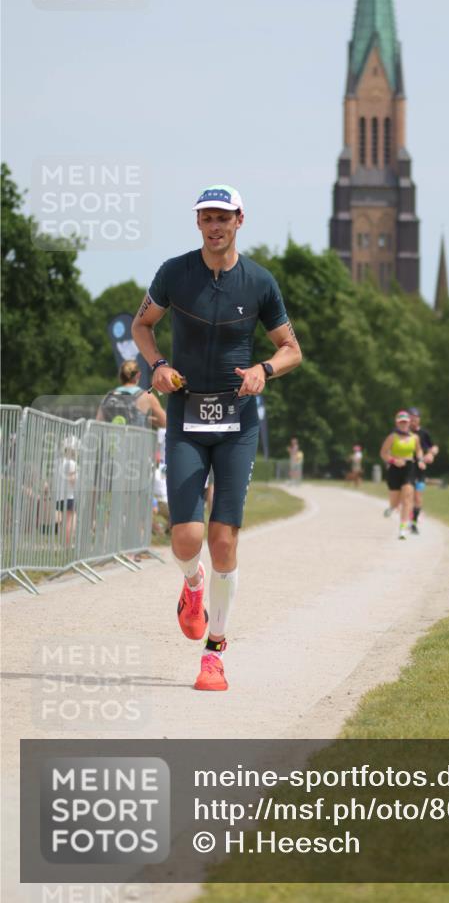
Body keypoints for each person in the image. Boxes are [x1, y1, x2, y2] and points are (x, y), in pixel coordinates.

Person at [132, 183, 302, 692]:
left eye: (222, 217)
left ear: (240, 220)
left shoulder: (260, 282)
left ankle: (214, 653)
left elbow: (292, 349)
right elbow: (143, 326)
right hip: (186, 413)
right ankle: (192, 585)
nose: (214, 225)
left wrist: (264, 370)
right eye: (206, 217)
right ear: (198, 223)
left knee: (223, 541)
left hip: (236, 422)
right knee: (185, 539)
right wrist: (158, 365)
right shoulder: (173, 273)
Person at [380, 411, 423, 540]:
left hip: (409, 468)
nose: (404, 424)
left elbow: (419, 450)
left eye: (406, 422)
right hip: (394, 469)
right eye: (401, 422)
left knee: (408, 498)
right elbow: (383, 453)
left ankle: (403, 529)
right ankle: (392, 507)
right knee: (395, 502)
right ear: (397, 423)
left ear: (409, 423)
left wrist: (420, 460)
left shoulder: (415, 438)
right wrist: (393, 461)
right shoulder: (392, 437)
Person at [97, 360, 167, 429]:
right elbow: (164, 422)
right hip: (136, 439)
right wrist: (147, 419)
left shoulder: (109, 396)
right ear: (138, 375)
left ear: (120, 375)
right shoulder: (147, 396)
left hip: (113, 439)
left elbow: (98, 423)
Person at [407, 407, 439, 534]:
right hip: (407, 469)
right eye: (411, 419)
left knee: (418, 498)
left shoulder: (424, 434)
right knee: (408, 495)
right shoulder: (402, 433)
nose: (413, 422)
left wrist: (431, 454)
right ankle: (408, 519)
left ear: (419, 420)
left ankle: (413, 523)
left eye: (415, 420)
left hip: (420, 470)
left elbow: (434, 447)